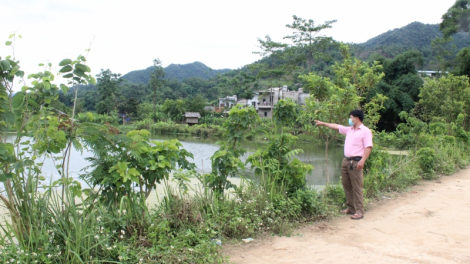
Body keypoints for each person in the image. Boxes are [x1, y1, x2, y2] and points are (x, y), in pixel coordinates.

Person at [314, 110, 373, 220]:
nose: (350, 120)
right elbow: (336, 126)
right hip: (346, 161)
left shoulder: (365, 131)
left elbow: (368, 147)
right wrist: (323, 123)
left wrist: (363, 160)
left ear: (357, 118)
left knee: (357, 187)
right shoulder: (349, 130)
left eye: (351, 117)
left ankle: (360, 211)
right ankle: (351, 208)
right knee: (346, 185)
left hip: (356, 161)